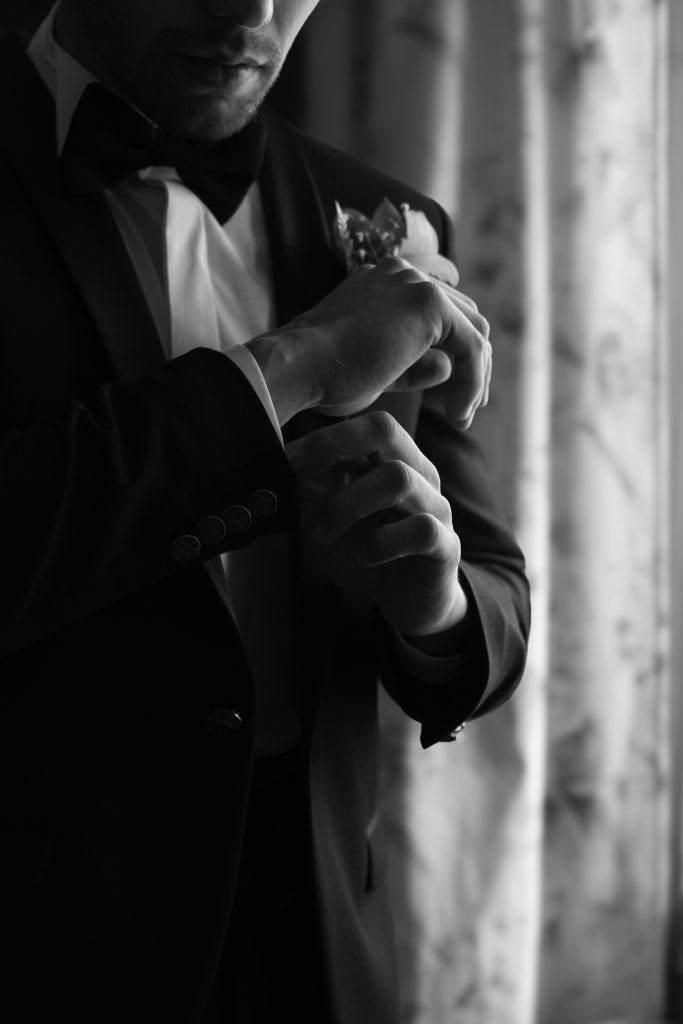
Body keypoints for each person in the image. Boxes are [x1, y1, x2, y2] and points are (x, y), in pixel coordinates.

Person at [0, 1, 530, 1021]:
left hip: (318, 945)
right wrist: (294, 366)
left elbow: (496, 596)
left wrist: (433, 605)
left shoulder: (377, 215)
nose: (251, 11)